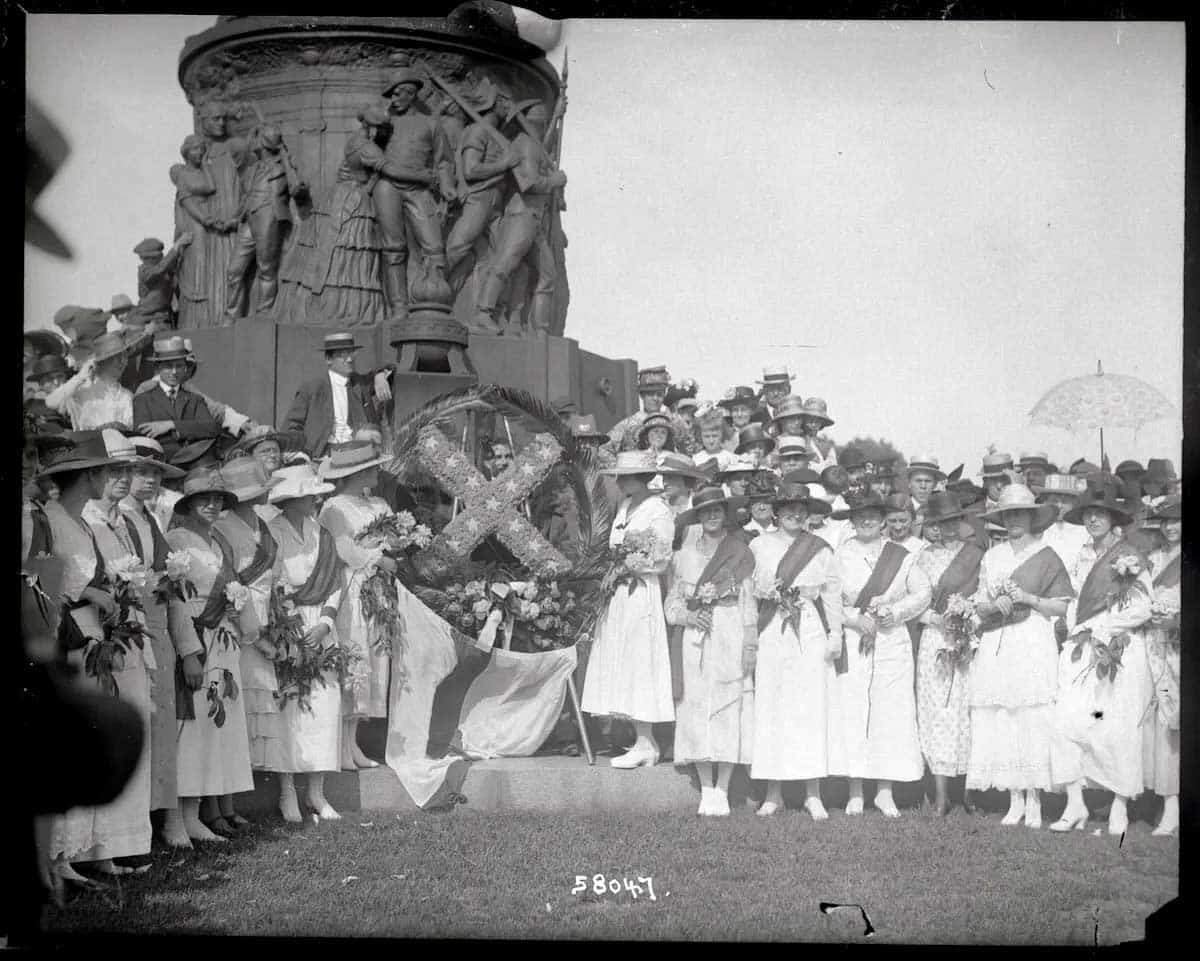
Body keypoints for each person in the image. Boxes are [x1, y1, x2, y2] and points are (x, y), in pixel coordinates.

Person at [37, 430, 153, 880]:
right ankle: (59, 857)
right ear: (85, 475)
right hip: (65, 633)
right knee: (72, 738)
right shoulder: (49, 519)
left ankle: (91, 849)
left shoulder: (84, 521)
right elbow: (39, 576)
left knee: (95, 734)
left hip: (95, 633)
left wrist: (112, 596)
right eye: (104, 471)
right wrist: (86, 591)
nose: (109, 477)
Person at [967, 485, 1074, 829]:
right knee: (1003, 715)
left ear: (1031, 517)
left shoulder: (1047, 556)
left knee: (1032, 715)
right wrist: (990, 606)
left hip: (1032, 638)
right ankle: (1014, 797)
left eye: (1020, 514)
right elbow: (978, 602)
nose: (1014, 520)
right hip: (998, 638)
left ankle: (1035, 798)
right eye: (1008, 514)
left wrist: (1028, 597)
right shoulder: (992, 556)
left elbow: (1060, 606)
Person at [1050, 484, 1153, 835]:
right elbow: (1072, 601)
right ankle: (1074, 802)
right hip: (1081, 648)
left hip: (1118, 648)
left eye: (1101, 513)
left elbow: (1142, 607)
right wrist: (1071, 627)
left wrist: (1103, 626)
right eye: (1088, 514)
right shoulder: (1080, 556)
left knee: (1114, 725)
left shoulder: (1130, 555)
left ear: (1114, 520)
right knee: (1068, 720)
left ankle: (1119, 804)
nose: (1094, 519)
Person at [165, 467, 255, 843]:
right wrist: (189, 651)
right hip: (198, 637)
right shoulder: (175, 540)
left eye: (218, 499)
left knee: (221, 722)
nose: (212, 505)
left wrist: (237, 611)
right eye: (205, 499)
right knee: (195, 726)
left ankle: (211, 810)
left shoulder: (219, 542)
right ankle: (186, 817)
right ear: (188, 504)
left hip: (224, 638)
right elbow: (176, 601)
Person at [829, 492, 931, 817]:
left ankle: (885, 791)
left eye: (873, 514)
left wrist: (895, 612)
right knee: (853, 711)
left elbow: (922, 593)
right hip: (854, 637)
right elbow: (828, 597)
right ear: (852, 519)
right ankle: (856, 790)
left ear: (883, 519)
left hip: (891, 641)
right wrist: (853, 618)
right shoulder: (840, 555)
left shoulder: (901, 554)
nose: (867, 520)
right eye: (860, 515)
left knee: (890, 713)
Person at [749, 482, 842, 818]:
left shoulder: (821, 548)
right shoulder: (759, 545)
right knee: (773, 707)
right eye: (787, 507)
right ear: (776, 511)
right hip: (773, 628)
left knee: (809, 706)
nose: (794, 513)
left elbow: (832, 593)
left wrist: (836, 636)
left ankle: (812, 792)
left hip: (810, 630)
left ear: (808, 512)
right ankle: (773, 793)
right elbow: (751, 588)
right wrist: (767, 590)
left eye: (801, 507)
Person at [663, 486, 757, 816]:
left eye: (717, 510)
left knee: (730, 706)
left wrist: (749, 643)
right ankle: (706, 788)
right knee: (697, 706)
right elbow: (671, 603)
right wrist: (690, 617)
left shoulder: (740, 552)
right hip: (696, 638)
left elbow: (748, 601)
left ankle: (723, 787)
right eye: (705, 512)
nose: (712, 516)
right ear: (698, 517)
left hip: (730, 629)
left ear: (725, 512)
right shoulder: (684, 556)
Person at [581, 450, 676, 768]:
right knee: (620, 659)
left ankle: (647, 742)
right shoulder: (624, 505)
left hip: (640, 592)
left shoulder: (658, 510)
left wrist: (625, 569)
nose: (620, 481)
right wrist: (612, 570)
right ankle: (637, 739)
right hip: (618, 595)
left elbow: (660, 557)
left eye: (626, 476)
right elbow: (616, 547)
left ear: (643, 478)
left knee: (640, 660)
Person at [118, 436, 190, 848]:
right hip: (129, 627)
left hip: (156, 629)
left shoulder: (150, 520)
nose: (148, 481)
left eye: (155, 474)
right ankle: (132, 827)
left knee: (161, 722)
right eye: (140, 472)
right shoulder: (109, 520)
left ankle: (165, 818)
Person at [267, 463, 346, 822]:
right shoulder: (272, 533)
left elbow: (335, 582)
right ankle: (287, 793)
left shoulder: (323, 533)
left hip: (321, 628)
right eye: (308, 493)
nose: (315, 498)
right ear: (291, 499)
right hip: (287, 625)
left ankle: (316, 793)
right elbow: (272, 584)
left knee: (325, 707)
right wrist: (292, 631)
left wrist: (326, 623)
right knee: (290, 711)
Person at [317, 440, 397, 769]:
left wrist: (390, 547)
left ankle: (354, 744)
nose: (378, 472)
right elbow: (345, 552)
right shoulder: (334, 507)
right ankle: (342, 746)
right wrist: (379, 556)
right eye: (373, 467)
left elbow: (394, 537)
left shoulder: (378, 503)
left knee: (373, 659)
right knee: (355, 658)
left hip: (377, 589)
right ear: (358, 471)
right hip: (350, 587)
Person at [912, 492, 984, 815]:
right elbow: (916, 605)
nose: (950, 528)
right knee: (936, 710)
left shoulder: (975, 555)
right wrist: (939, 619)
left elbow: (984, 593)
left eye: (954, 521)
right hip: (934, 640)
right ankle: (940, 793)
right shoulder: (922, 558)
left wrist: (968, 617)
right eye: (943, 523)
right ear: (934, 526)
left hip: (966, 637)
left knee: (964, 709)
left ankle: (968, 789)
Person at [214, 457, 282, 797]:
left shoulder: (262, 524)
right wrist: (254, 634)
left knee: (259, 701)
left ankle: (250, 786)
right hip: (239, 625)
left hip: (265, 618)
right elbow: (228, 584)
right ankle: (231, 795)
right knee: (237, 703)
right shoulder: (223, 527)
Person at [372, 70, 455, 314]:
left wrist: (448, 186)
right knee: (393, 248)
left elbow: (443, 161)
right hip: (388, 187)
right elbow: (370, 150)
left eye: (398, 94)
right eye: (391, 95)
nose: (393, 99)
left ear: (412, 94)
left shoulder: (431, 124)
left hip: (419, 189)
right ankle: (398, 306)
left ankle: (434, 305)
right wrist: (380, 126)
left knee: (434, 246)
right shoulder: (386, 123)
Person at [225, 124, 308, 318]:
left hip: (269, 216)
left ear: (263, 144)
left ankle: (264, 312)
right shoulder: (253, 168)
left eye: (256, 138)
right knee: (234, 270)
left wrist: (285, 157)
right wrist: (234, 219)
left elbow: (296, 189)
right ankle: (232, 315)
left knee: (266, 268)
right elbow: (247, 197)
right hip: (249, 220)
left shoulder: (283, 166)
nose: (251, 142)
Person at [445, 81, 511, 296]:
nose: (509, 107)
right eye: (505, 101)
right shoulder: (478, 131)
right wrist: (503, 165)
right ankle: (428, 290)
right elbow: (471, 170)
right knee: (458, 246)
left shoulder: (498, 136)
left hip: (496, 203)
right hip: (479, 198)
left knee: (500, 255)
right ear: (495, 102)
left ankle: (482, 312)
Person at [171, 131, 238, 329]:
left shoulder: (200, 171)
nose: (199, 152)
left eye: (201, 149)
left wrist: (205, 164)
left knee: (206, 266)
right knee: (196, 266)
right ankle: (194, 319)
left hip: (205, 222)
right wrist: (207, 220)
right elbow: (188, 202)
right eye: (195, 149)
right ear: (186, 152)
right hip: (193, 223)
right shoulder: (183, 175)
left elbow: (210, 187)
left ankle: (206, 316)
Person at [1142, 495, 1180, 837]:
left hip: (1182, 644)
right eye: (1166, 521)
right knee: (1164, 722)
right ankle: (1168, 803)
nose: (1171, 526)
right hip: (1155, 646)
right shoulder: (1152, 559)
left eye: (1177, 520)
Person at [284, 332, 382, 459]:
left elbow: (390, 371)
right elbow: (292, 426)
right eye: (342, 355)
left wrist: (380, 375)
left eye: (351, 353)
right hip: (322, 455)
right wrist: (299, 454)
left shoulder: (360, 384)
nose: (350, 359)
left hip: (358, 453)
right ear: (328, 359)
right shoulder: (312, 388)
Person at [131, 336, 223, 462]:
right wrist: (193, 429)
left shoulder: (194, 399)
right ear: (158, 368)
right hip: (162, 462)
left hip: (197, 460)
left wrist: (171, 425)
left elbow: (211, 428)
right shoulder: (143, 400)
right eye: (168, 366)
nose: (174, 372)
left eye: (179, 366)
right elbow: (143, 436)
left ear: (185, 368)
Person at [45, 329, 143, 430]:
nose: (123, 362)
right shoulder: (81, 389)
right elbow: (50, 403)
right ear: (102, 361)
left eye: (125, 356)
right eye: (116, 357)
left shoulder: (126, 396)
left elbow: (130, 429)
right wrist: (80, 377)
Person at [606, 366, 696, 456]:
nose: (655, 398)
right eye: (650, 394)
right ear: (642, 395)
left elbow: (692, 449)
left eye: (659, 394)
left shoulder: (676, 423)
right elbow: (604, 449)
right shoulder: (626, 426)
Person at [130, 236, 188, 332]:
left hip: (162, 317)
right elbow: (159, 270)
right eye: (155, 257)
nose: (161, 258)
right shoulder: (145, 271)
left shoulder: (165, 271)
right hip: (145, 318)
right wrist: (175, 248)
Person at [1033, 474, 1090, 566]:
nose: (1059, 505)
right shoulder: (1037, 529)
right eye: (1054, 501)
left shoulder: (1085, 531)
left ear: (1074, 503)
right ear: (1045, 502)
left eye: (1065, 501)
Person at [904, 454, 945, 538]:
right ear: (909, 483)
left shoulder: (943, 512)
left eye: (928, 481)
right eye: (918, 481)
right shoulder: (899, 509)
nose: (923, 486)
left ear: (935, 484)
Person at [794, 398, 838, 471]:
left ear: (822, 423)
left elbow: (833, 470)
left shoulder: (826, 447)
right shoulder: (796, 440)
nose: (813, 424)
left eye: (817, 421)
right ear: (804, 420)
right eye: (810, 420)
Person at [692, 407, 737, 472]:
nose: (711, 441)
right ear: (700, 436)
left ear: (722, 435)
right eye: (707, 436)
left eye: (715, 436)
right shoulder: (695, 458)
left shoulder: (730, 458)